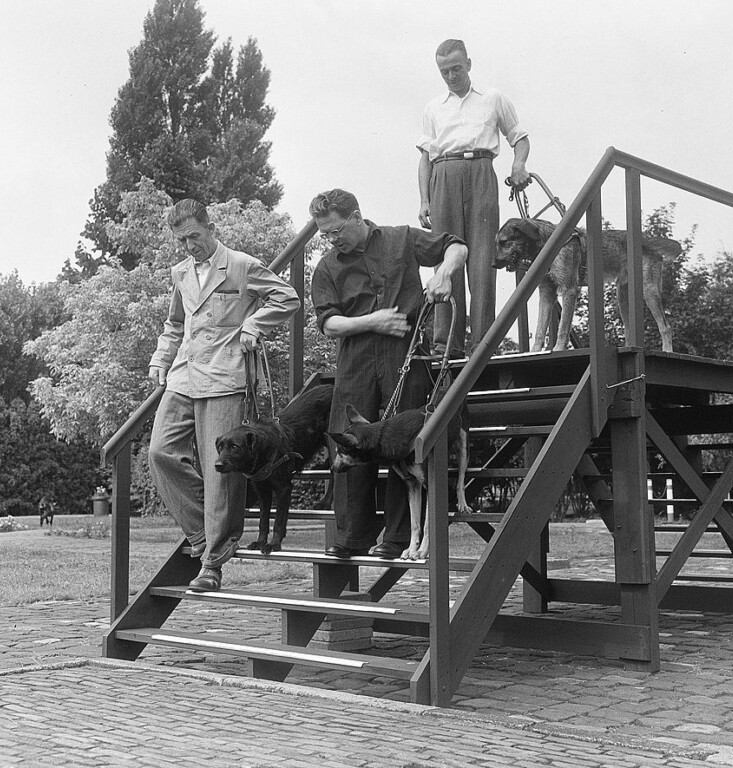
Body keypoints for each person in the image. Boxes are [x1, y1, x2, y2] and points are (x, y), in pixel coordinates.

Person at [148, 199, 299, 592]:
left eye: (194, 236)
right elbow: (174, 323)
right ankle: (205, 533)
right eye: (181, 240)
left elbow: (288, 297)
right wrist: (161, 358)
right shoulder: (180, 272)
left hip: (225, 376)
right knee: (160, 452)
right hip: (184, 374)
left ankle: (212, 564)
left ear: (210, 227)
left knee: (221, 473)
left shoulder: (242, 265)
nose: (189, 246)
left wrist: (253, 324)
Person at [309, 189, 468, 559]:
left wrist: (444, 273)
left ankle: (397, 539)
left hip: (406, 353)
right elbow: (329, 323)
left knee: (402, 441)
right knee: (348, 440)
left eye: (335, 231)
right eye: (324, 235)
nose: (331, 240)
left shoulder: (402, 238)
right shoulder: (327, 267)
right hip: (355, 357)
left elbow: (456, 245)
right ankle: (352, 537)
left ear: (357, 216)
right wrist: (372, 321)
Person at [417, 38, 531, 357]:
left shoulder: (493, 98)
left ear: (469, 63)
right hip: (444, 174)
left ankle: (482, 343)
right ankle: (446, 345)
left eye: (456, 68)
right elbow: (425, 158)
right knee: (445, 258)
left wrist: (518, 164)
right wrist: (424, 200)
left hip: (481, 170)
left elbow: (519, 138)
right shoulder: (433, 108)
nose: (451, 76)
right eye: (444, 72)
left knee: (483, 257)